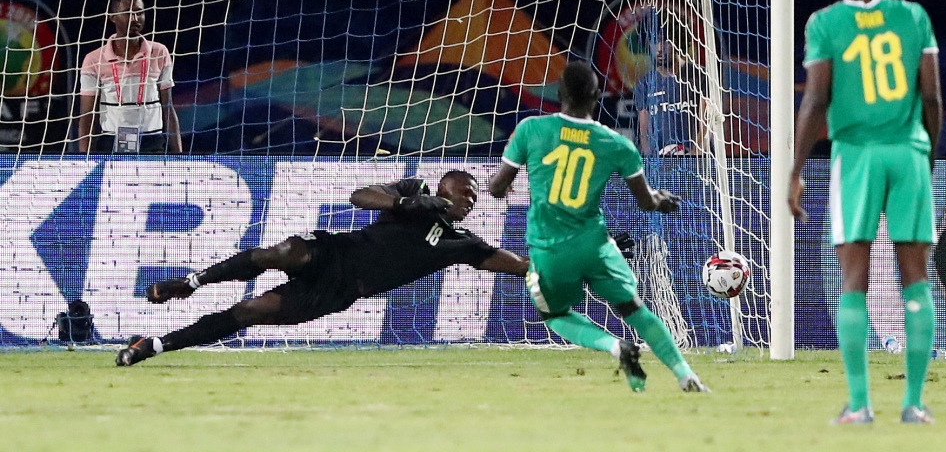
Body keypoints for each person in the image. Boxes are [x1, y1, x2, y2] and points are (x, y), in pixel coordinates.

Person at [117, 170, 595, 365]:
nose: (470, 202)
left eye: (473, 198)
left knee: (249, 311)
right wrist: (412, 201)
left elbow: (523, 267)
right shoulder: (414, 191)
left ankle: (156, 345)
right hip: (336, 251)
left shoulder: (464, 243)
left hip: (342, 290)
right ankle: (191, 281)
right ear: (445, 189)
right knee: (278, 252)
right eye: (464, 193)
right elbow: (359, 196)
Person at [788, 0, 943, 425]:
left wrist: (795, 171)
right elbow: (933, 97)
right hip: (908, 153)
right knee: (916, 278)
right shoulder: (914, 17)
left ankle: (859, 406)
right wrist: (927, 155)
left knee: (854, 280)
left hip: (856, 157)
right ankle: (914, 404)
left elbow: (814, 101)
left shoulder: (825, 23)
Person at [488, 61, 708, 393]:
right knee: (634, 309)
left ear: (560, 93)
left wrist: (503, 186)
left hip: (549, 250)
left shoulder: (531, 129)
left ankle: (613, 347)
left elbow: (497, 186)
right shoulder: (617, 144)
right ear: (595, 96)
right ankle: (685, 374)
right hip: (596, 246)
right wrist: (661, 200)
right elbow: (646, 202)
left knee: (555, 315)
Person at [78, 0, 182, 154]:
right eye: (128, 13)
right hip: (111, 141)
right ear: (113, 17)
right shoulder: (94, 59)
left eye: (139, 13)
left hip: (152, 141)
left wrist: (179, 157)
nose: (135, 19)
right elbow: (87, 116)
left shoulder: (159, 52)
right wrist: (84, 158)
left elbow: (168, 107)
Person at [634, 31, 706, 157]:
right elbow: (643, 131)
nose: (660, 48)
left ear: (677, 43)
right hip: (661, 164)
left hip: (696, 161)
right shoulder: (645, 83)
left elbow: (706, 123)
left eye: (665, 42)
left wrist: (695, 155)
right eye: (655, 42)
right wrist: (650, 158)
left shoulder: (699, 76)